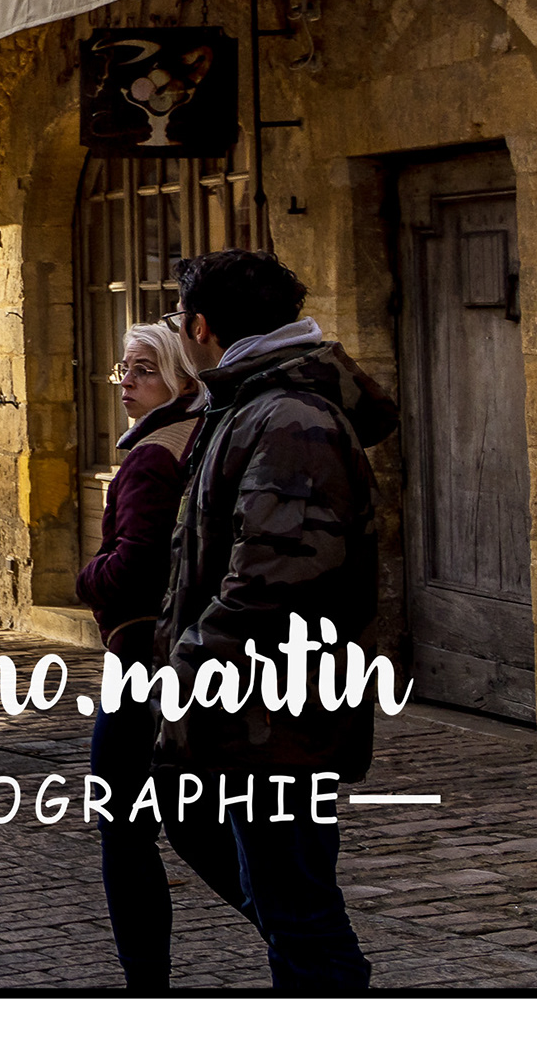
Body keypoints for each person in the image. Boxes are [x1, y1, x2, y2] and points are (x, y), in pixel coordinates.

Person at [158, 248, 398, 990]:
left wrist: (186, 666)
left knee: (295, 900)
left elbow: (277, 576)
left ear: (200, 327)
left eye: (179, 321)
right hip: (243, 708)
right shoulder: (251, 400)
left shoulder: (289, 415)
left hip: (273, 714)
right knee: (271, 884)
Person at [75, 317, 252, 987]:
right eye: (123, 367)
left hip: (142, 665)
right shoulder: (199, 437)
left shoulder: (153, 455)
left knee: (126, 827)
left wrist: (86, 578)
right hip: (185, 655)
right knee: (192, 821)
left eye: (144, 368)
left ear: (180, 375)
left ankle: (147, 982)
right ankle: (296, 932)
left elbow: (133, 567)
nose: (126, 380)